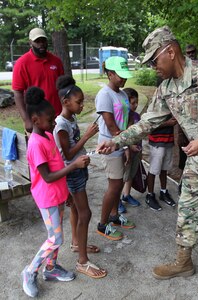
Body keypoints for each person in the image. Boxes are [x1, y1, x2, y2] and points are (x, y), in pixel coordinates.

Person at [96, 26, 198, 300]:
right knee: (188, 211)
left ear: (171, 51)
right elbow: (148, 122)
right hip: (197, 163)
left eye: (154, 60)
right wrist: (117, 141)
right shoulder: (167, 88)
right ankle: (184, 262)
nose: (153, 67)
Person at [21, 86, 90, 298]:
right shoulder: (35, 144)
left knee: (56, 235)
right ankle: (30, 271)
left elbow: (57, 163)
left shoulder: (48, 136)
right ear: (35, 120)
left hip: (58, 196)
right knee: (55, 239)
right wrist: (75, 165)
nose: (54, 123)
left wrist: (66, 193)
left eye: (53, 119)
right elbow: (48, 176)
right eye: (50, 120)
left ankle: (51, 268)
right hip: (47, 198)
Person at [53, 75, 107, 279]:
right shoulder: (60, 125)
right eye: (79, 102)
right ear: (66, 102)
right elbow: (66, 154)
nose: (83, 105)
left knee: (76, 208)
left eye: (83, 101)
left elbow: (74, 148)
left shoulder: (71, 117)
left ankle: (76, 243)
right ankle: (82, 262)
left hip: (79, 168)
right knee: (86, 214)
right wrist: (87, 137)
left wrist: (87, 150)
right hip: (72, 173)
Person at [95, 56, 135, 241]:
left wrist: (126, 145)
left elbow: (125, 121)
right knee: (114, 185)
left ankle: (114, 216)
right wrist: (126, 142)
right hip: (109, 146)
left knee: (118, 184)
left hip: (121, 143)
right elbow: (111, 126)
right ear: (110, 74)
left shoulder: (123, 94)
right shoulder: (104, 95)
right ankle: (103, 225)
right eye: (120, 75)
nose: (123, 79)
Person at [12, 27, 64, 134]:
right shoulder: (22, 63)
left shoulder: (56, 61)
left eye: (43, 40)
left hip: (57, 117)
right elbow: (17, 93)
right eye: (37, 41)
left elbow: (62, 87)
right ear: (30, 42)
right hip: (37, 121)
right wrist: (26, 120)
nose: (41, 44)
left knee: (60, 150)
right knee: (40, 149)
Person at [118, 88, 142, 214]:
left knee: (131, 174)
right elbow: (122, 135)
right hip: (126, 152)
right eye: (133, 103)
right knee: (123, 176)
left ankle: (126, 195)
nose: (136, 105)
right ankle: (117, 201)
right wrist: (130, 146)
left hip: (136, 151)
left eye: (136, 102)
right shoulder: (124, 117)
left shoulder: (137, 116)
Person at [145, 116, 176, 211]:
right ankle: (150, 195)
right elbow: (149, 124)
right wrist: (167, 123)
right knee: (153, 170)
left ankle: (163, 192)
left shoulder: (171, 104)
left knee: (164, 168)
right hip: (157, 142)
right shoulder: (154, 105)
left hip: (168, 140)